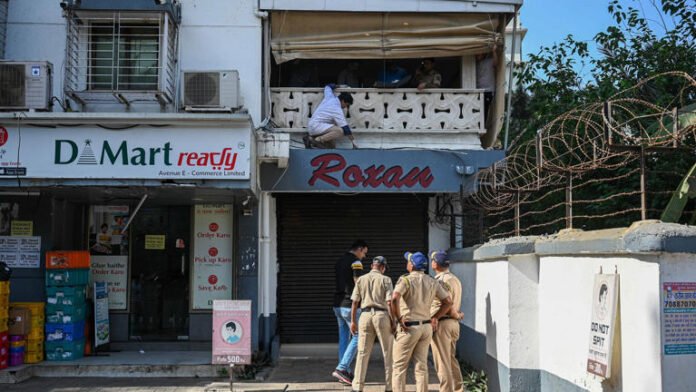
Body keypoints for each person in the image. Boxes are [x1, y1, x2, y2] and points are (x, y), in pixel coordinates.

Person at [390, 251, 452, 392]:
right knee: (421, 366)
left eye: (408, 261)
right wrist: (435, 317)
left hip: (409, 328)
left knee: (399, 367)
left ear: (412, 265)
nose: (407, 263)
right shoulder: (432, 281)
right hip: (426, 327)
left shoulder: (405, 280)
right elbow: (448, 302)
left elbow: (394, 298)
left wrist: (399, 319)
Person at [350, 256, 395, 392]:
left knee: (362, 352)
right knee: (388, 353)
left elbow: (354, 302)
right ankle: (389, 387)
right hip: (382, 315)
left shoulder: (361, 279)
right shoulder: (386, 279)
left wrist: (353, 321)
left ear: (371, 266)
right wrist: (393, 321)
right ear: (383, 267)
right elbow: (389, 302)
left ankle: (357, 386)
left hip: (364, 315)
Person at [332, 240, 369, 385]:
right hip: (350, 306)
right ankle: (341, 368)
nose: (364, 256)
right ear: (359, 249)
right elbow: (358, 283)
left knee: (344, 338)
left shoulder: (339, 261)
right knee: (359, 336)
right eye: (364, 252)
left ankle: (344, 371)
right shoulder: (356, 263)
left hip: (337, 305)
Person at [429, 250, 465, 392]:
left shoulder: (442, 281)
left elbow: (447, 303)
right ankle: (458, 389)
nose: (431, 262)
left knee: (442, 362)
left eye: (432, 260)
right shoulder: (455, 279)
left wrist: (435, 317)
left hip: (443, 323)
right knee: (450, 359)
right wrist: (457, 315)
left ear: (435, 264)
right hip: (452, 324)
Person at [304, 84, 357, 149]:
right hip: (316, 127)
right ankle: (317, 140)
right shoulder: (336, 109)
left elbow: (328, 86)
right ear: (343, 101)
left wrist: (341, 86)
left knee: (331, 147)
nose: (345, 107)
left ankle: (311, 139)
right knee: (340, 131)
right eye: (346, 105)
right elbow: (345, 128)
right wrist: (353, 142)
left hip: (316, 127)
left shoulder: (330, 97)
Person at [476, 51, 497, 121]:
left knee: (484, 109)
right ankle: (480, 125)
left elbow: (496, 63)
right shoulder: (476, 64)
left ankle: (482, 126)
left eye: (479, 53)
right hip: (478, 90)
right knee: (478, 109)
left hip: (488, 90)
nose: (477, 55)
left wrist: (494, 51)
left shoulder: (488, 61)